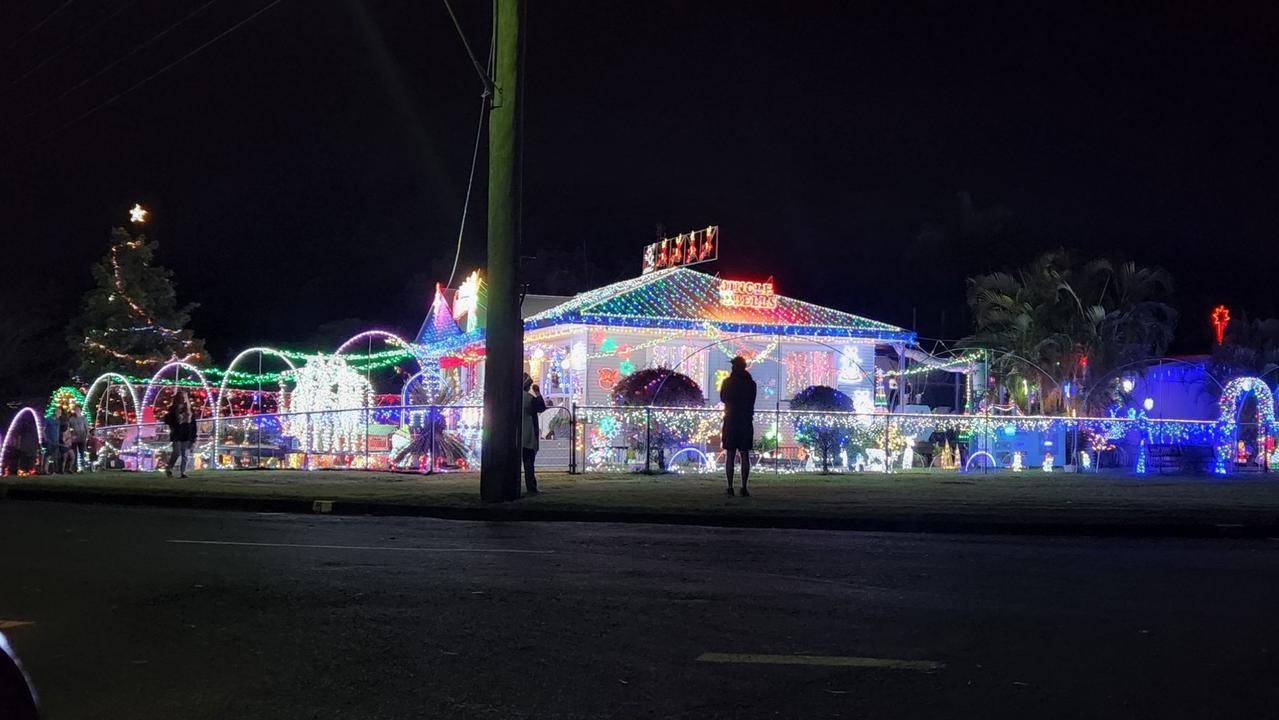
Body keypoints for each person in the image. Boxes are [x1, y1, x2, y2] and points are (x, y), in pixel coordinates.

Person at [719, 356, 757, 496]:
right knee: (744, 454)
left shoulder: (727, 382)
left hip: (731, 420)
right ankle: (744, 487)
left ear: (735, 367)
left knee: (730, 454)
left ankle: (729, 487)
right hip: (746, 421)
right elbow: (752, 400)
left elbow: (723, 398)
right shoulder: (751, 384)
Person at [521, 373, 548, 496]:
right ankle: (531, 487)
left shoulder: (511, 397)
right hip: (528, 434)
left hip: (515, 435)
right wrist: (537, 393)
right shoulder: (529, 399)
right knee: (528, 462)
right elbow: (541, 408)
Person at [162, 392, 196, 478]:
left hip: (186, 431)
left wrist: (193, 437)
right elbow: (168, 420)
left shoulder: (189, 410)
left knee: (185, 454)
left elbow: (193, 424)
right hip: (177, 432)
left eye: (184, 398)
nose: (183, 399)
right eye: (181, 397)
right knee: (176, 452)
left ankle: (183, 472)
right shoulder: (173, 409)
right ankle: (169, 468)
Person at [67, 407, 89, 473]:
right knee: (74, 454)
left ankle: (82, 468)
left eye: (78, 410)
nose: (77, 411)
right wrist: (71, 435)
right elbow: (68, 428)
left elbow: (86, 428)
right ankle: (74, 468)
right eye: (76, 410)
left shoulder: (83, 419)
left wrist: (86, 436)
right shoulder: (71, 419)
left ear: (80, 411)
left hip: (82, 439)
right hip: (74, 439)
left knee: (82, 453)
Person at [42, 409, 62, 474]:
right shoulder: (48, 420)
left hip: (56, 441)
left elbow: (58, 431)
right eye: (59, 412)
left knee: (54, 456)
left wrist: (58, 439)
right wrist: (45, 438)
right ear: (55, 412)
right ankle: (45, 470)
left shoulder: (58, 421)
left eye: (60, 413)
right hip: (49, 441)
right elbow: (43, 430)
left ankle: (52, 471)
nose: (60, 414)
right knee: (48, 455)